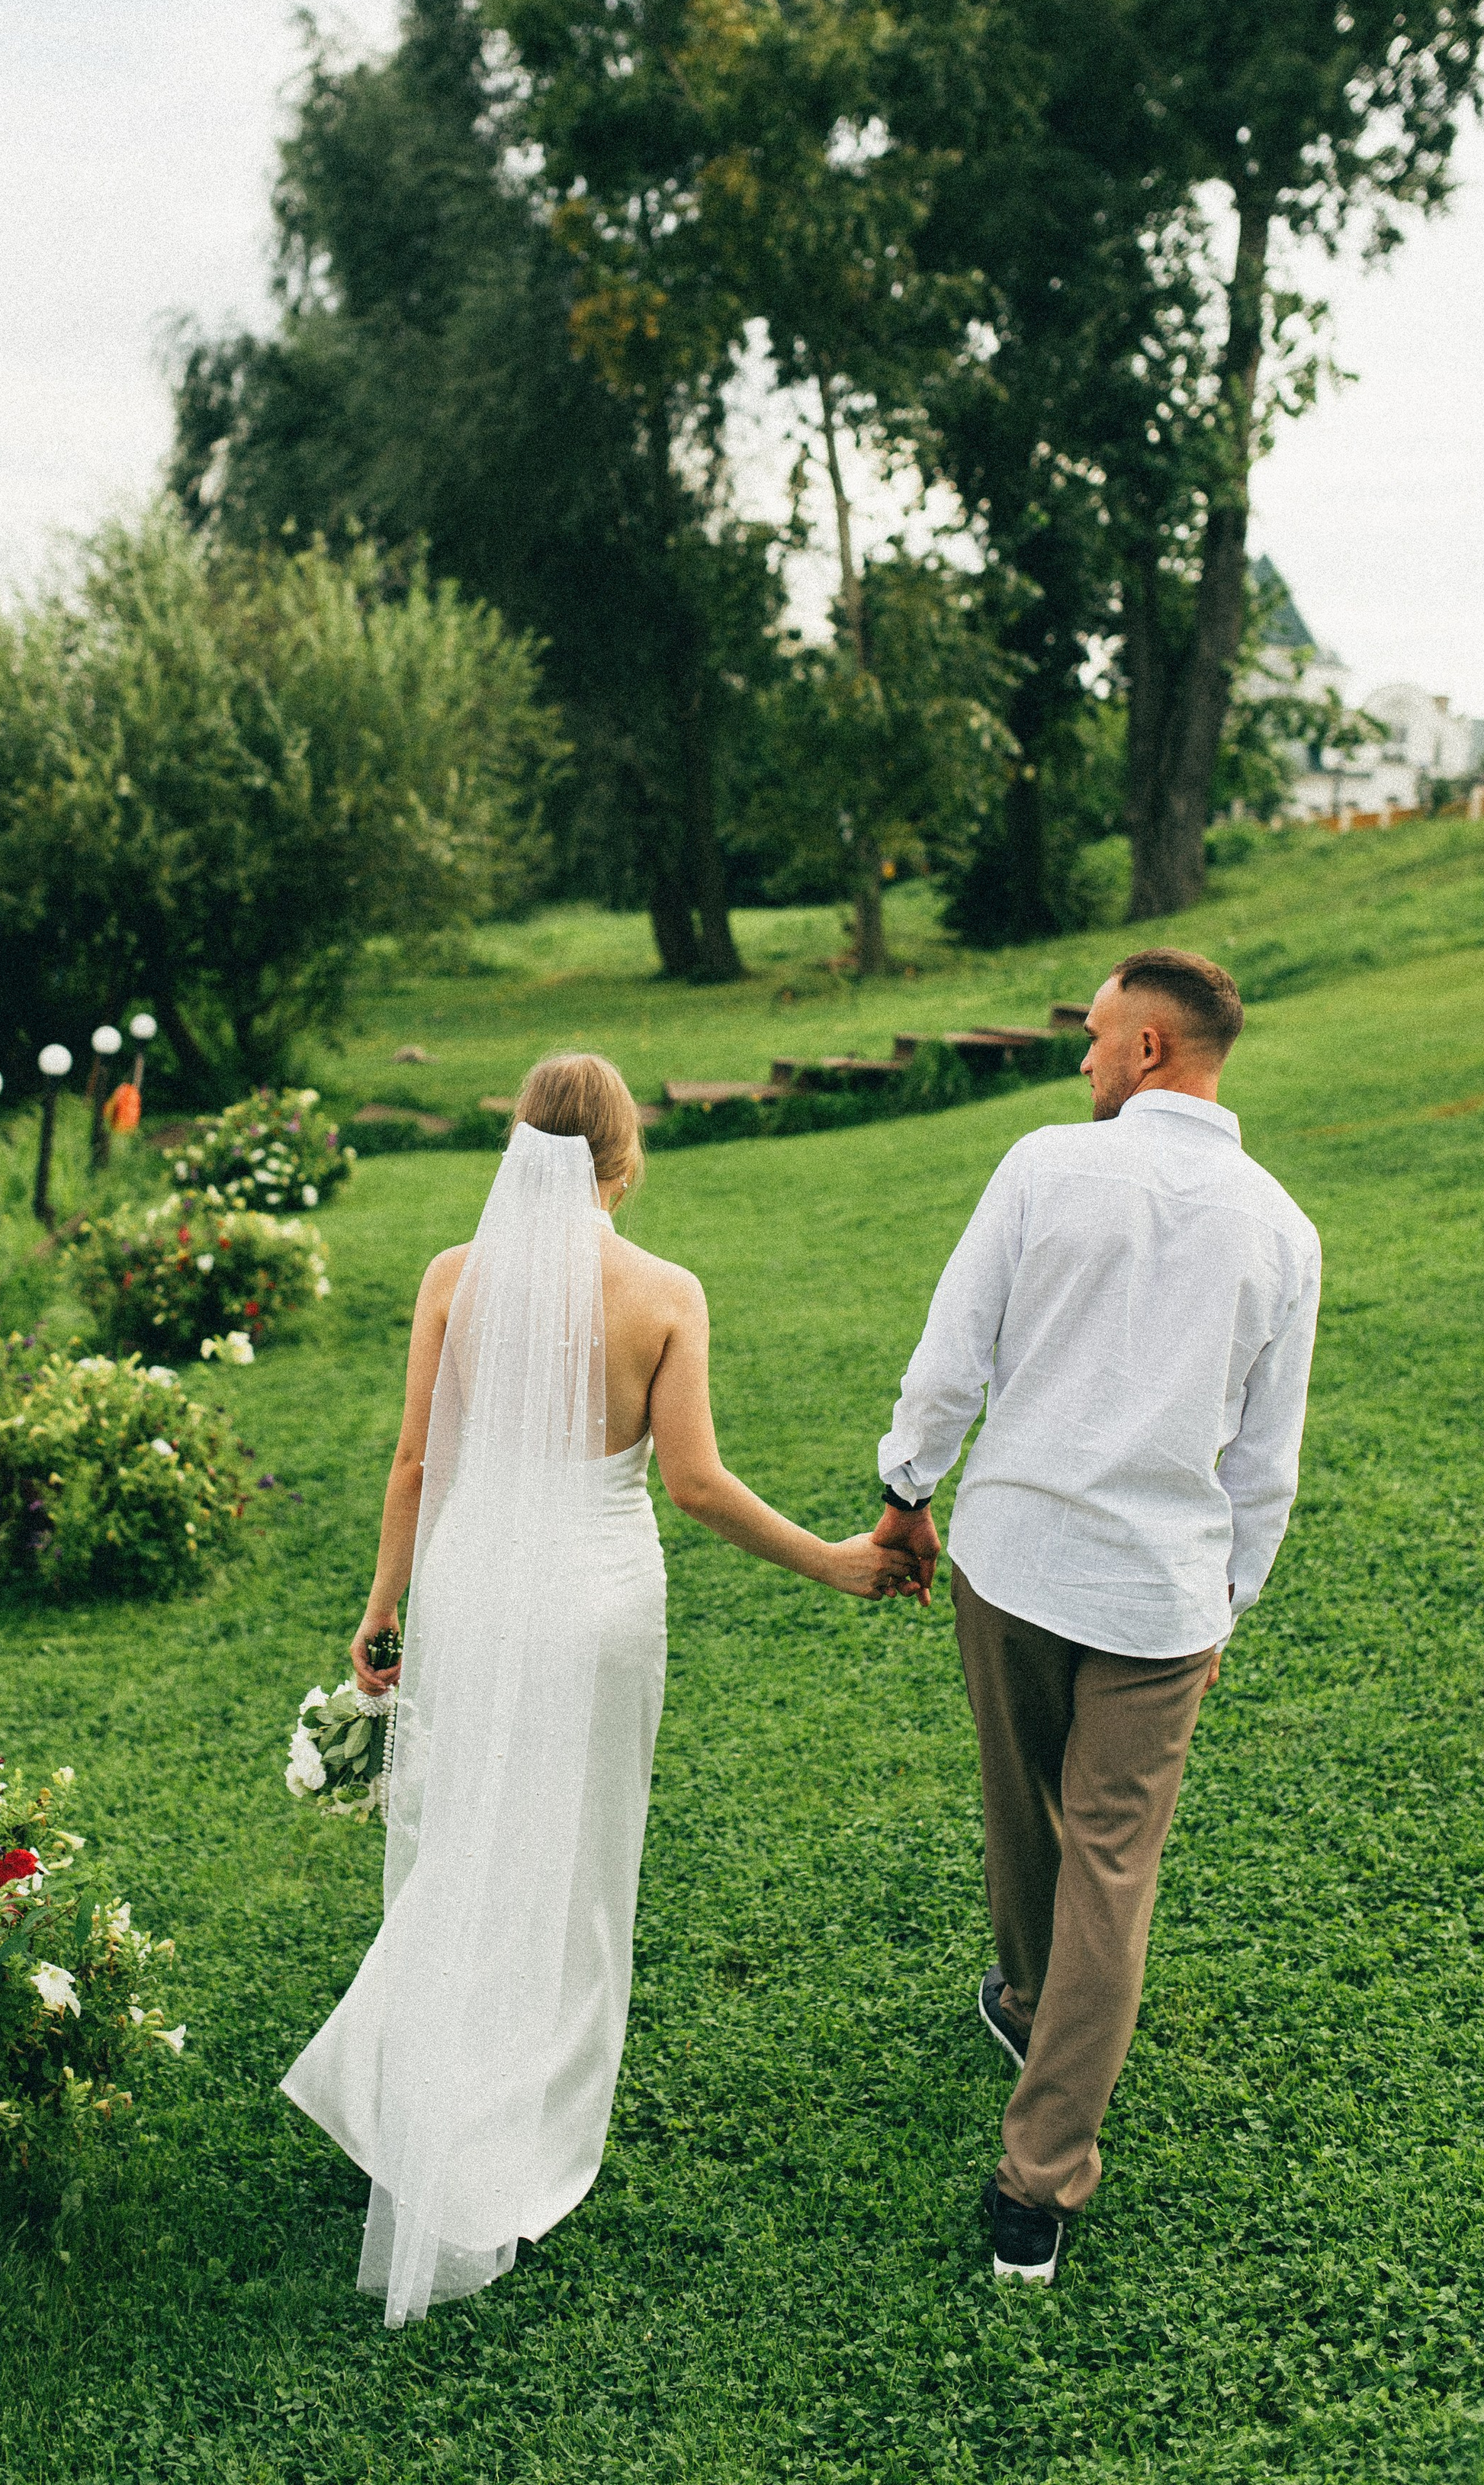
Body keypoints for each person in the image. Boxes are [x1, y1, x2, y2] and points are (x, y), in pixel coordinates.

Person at [282, 1050, 922, 2326]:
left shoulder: (454, 1279)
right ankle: (501, 2135)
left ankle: (403, 2080)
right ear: (628, 1160)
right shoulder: (664, 1291)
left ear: (518, 1150)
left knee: (470, 1835)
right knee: (572, 1863)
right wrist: (837, 1565)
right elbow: (694, 1484)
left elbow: (417, 1461)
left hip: (471, 1581)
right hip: (595, 1598)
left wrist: (382, 1605)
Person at [872, 948, 1320, 2285]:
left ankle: (1037, 2137)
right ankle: (1036, 2114)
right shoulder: (1283, 1230)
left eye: (1094, 1034)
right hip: (1160, 1600)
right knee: (1109, 1867)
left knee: (1028, 1812)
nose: (1080, 1057)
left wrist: (905, 1486)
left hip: (1013, 1564)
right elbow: (1266, 1461)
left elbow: (958, 1352)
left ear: (1147, 1053)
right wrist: (1230, 1597)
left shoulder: (1043, 1168)